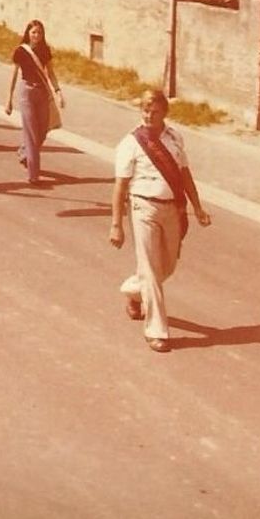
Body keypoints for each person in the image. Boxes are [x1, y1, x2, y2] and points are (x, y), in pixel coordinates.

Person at [108, 89, 211, 353]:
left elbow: (184, 173)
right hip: (144, 208)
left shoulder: (175, 137)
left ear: (165, 112)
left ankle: (133, 291)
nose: (149, 116)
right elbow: (120, 186)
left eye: (154, 111)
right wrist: (116, 224)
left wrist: (197, 207)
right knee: (152, 270)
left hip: (173, 209)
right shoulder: (131, 143)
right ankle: (157, 330)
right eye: (145, 110)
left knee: (168, 266)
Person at [4, 19, 65, 185]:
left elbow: (50, 73)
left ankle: (24, 153)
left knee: (43, 130)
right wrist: (8, 99)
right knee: (31, 133)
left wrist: (58, 92)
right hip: (27, 93)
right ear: (28, 34)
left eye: (39, 32)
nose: (36, 35)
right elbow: (14, 75)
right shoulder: (21, 51)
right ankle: (33, 174)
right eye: (33, 32)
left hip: (42, 92)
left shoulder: (45, 50)